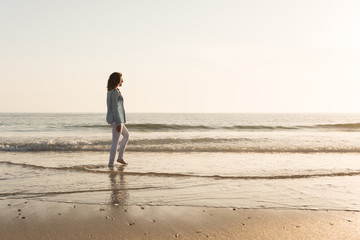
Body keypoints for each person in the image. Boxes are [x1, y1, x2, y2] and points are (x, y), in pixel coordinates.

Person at [106, 72, 129, 167]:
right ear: (117, 80)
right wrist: (119, 123)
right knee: (115, 142)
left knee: (126, 136)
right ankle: (111, 163)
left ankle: (120, 158)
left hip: (116, 119)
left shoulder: (113, 91)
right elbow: (115, 109)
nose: (122, 80)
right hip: (116, 120)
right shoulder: (114, 93)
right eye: (121, 79)